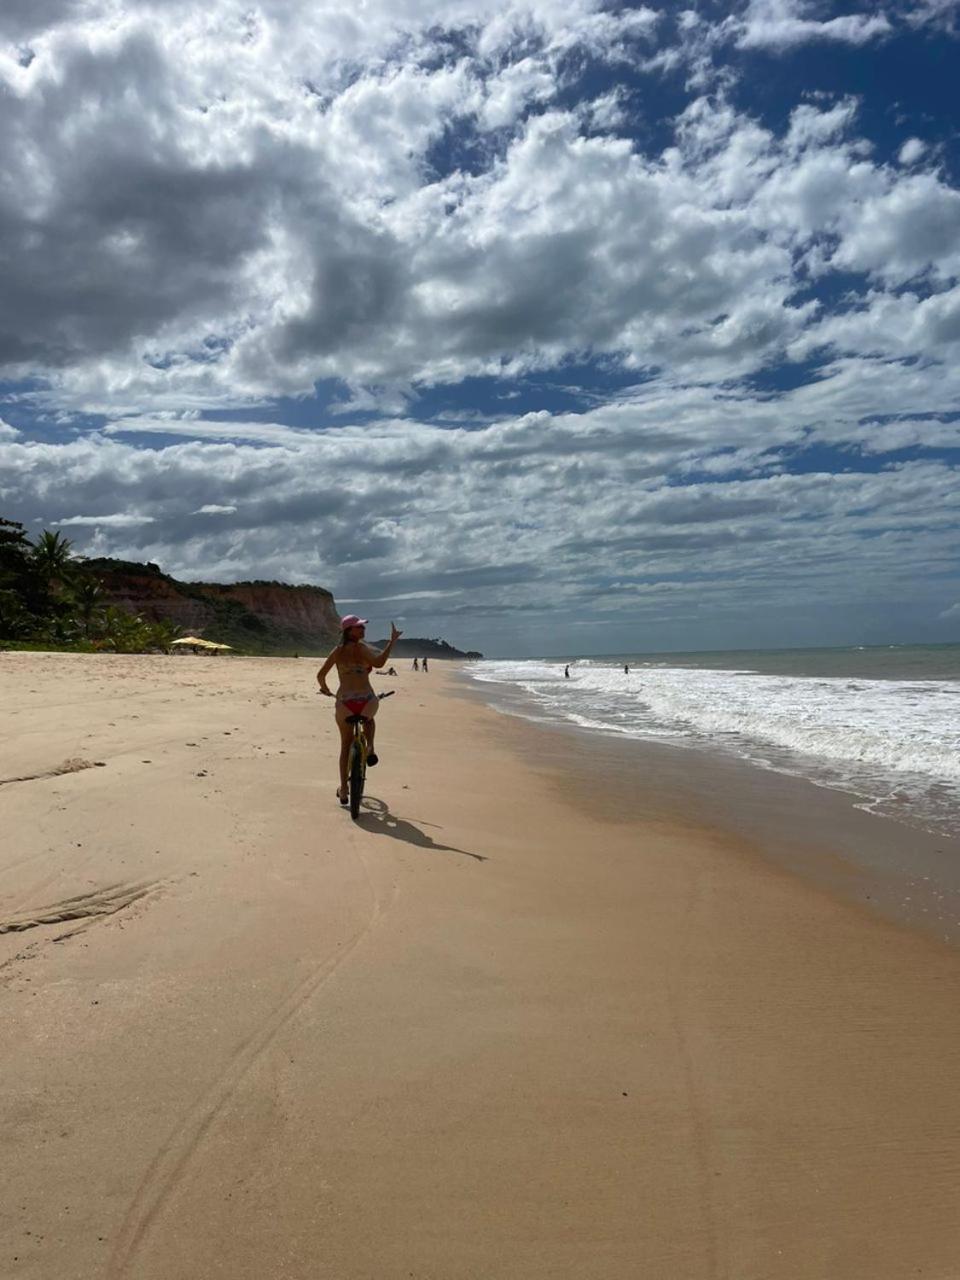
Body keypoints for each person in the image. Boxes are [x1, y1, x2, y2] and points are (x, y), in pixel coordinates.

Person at [317, 615, 402, 806]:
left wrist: (325, 688)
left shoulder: (337, 652)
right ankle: (370, 746)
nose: (363, 630)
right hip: (366, 701)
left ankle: (344, 789)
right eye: (359, 627)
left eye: (363, 627)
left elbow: (321, 675)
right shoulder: (362, 648)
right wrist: (392, 641)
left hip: (345, 703)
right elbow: (379, 663)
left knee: (345, 746)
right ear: (349, 630)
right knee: (369, 720)